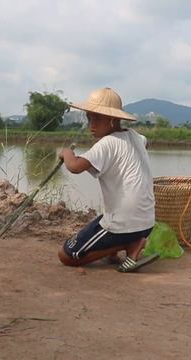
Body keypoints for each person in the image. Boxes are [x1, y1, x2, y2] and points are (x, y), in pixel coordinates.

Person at [58, 87, 159, 273]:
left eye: (97, 119)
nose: (91, 125)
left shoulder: (106, 143)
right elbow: (147, 142)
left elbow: (75, 167)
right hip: (146, 222)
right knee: (103, 220)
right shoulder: (136, 136)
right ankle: (126, 244)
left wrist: (66, 153)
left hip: (125, 223)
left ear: (112, 119)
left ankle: (130, 244)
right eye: (89, 118)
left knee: (66, 255)